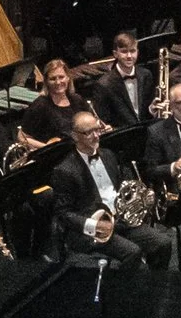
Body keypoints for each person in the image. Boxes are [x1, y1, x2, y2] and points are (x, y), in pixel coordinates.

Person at [50, 111, 162, 270]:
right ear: (75, 136)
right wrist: (94, 225)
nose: (96, 136)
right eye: (89, 133)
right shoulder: (65, 170)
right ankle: (118, 292)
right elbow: (63, 213)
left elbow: (121, 188)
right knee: (133, 252)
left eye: (98, 130)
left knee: (162, 243)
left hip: (121, 219)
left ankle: (153, 285)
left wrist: (139, 200)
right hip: (94, 228)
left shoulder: (109, 155)